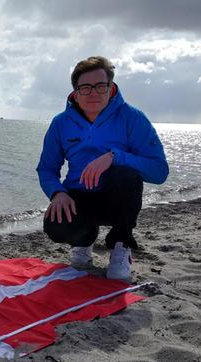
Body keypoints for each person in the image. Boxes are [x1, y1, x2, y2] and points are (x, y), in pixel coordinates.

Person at [36, 56, 168, 281]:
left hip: (117, 200)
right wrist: (57, 193)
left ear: (111, 87)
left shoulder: (132, 118)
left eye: (100, 86)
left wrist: (115, 156)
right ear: (75, 93)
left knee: (126, 174)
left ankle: (120, 246)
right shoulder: (61, 123)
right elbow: (47, 168)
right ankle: (84, 242)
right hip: (80, 195)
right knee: (55, 225)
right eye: (85, 88)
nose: (93, 93)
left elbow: (159, 171)